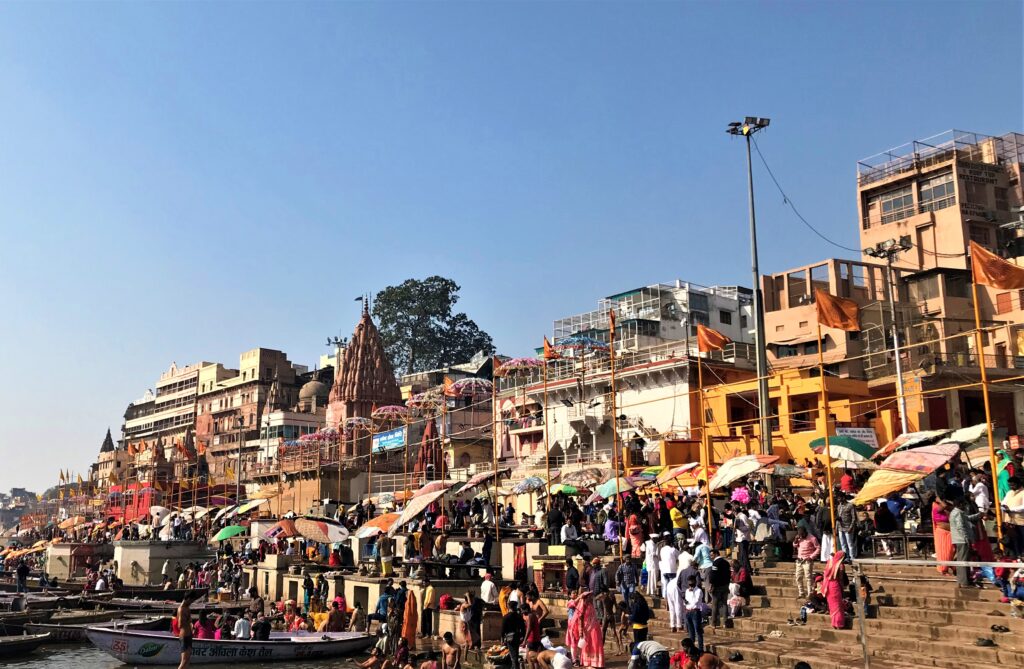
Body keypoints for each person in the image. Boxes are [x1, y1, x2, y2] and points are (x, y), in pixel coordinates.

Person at [570, 591, 604, 669]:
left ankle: (596, 662)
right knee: (588, 645)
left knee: (596, 643)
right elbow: (580, 618)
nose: (591, 597)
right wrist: (581, 630)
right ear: (586, 598)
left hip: (595, 628)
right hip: (587, 629)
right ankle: (589, 663)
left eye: (591, 596)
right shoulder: (583, 605)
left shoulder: (591, 604)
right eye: (589, 596)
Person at [949, 497, 978, 587]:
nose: (965, 506)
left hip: (960, 540)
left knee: (963, 560)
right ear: (960, 504)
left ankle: (964, 580)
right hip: (962, 540)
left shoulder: (958, 513)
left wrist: (978, 515)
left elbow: (967, 518)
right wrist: (966, 538)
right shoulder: (957, 513)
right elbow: (960, 527)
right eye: (964, 504)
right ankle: (964, 582)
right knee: (963, 561)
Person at [821, 550, 848, 629]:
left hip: (827, 586)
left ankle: (834, 623)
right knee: (838, 605)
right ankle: (839, 624)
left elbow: (825, 574)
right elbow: (840, 578)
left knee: (832, 606)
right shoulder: (840, 565)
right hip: (835, 586)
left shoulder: (830, 562)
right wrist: (842, 588)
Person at [792, 527, 820, 600]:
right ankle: (801, 593)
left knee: (808, 578)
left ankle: (809, 594)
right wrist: (795, 540)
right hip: (799, 560)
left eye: (802, 534)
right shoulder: (799, 538)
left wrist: (811, 557)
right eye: (799, 534)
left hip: (807, 560)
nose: (801, 536)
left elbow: (818, 548)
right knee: (798, 577)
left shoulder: (812, 538)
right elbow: (794, 545)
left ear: (805, 532)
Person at [177, 590, 202, 669]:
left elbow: (190, 621)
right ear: (188, 598)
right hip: (184, 636)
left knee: (187, 660)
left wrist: (192, 626)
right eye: (191, 600)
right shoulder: (181, 609)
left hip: (189, 635)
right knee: (184, 661)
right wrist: (188, 621)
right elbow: (180, 625)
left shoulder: (187, 608)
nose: (192, 602)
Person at [708, 549, 731, 629]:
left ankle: (713, 623)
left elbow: (713, 575)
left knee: (715, 605)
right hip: (725, 585)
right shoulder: (726, 563)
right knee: (724, 604)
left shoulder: (716, 563)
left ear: (716, 554)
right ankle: (725, 622)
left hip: (717, 586)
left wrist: (711, 584)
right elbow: (729, 574)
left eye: (712, 555)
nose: (711, 557)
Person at [682, 575, 705, 653]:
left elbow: (695, 601)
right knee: (691, 632)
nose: (690, 586)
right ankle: (691, 649)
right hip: (688, 612)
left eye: (691, 584)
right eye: (689, 584)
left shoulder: (698, 591)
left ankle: (701, 649)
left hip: (695, 612)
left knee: (698, 631)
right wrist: (685, 602)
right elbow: (686, 602)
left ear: (694, 582)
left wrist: (692, 593)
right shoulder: (687, 591)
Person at [932, 496, 954, 575]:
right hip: (942, 533)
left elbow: (950, 507)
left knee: (951, 551)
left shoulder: (946, 509)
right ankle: (943, 570)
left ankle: (951, 567)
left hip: (949, 533)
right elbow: (944, 505)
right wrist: (940, 499)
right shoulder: (935, 507)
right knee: (944, 552)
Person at [502, 601, 526, 669]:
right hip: (517, 636)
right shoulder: (519, 616)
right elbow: (523, 628)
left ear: (509, 607)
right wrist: (523, 637)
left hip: (509, 637)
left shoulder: (506, 617)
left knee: (513, 656)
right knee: (516, 653)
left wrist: (502, 638)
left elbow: (503, 629)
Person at [836, 495, 857, 560]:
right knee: (843, 544)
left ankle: (852, 557)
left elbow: (854, 517)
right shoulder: (839, 506)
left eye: (840, 498)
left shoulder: (850, 505)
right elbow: (838, 516)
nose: (839, 500)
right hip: (840, 527)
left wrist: (851, 527)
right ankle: (845, 557)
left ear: (843, 497)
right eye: (838, 498)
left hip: (848, 527)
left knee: (850, 543)